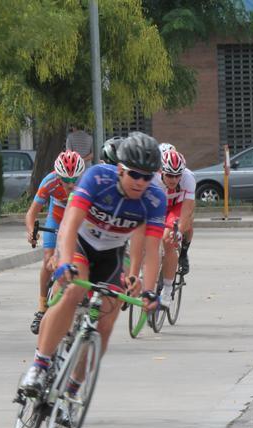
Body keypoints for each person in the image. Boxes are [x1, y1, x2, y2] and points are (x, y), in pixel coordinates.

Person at [19, 132, 166, 394]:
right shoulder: (97, 178)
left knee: (106, 323)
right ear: (120, 169)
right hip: (81, 243)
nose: (140, 182)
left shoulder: (155, 199)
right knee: (74, 289)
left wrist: (148, 289)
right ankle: (40, 365)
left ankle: (73, 389)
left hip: (111, 254)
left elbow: (151, 250)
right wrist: (64, 261)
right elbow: (69, 224)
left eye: (147, 177)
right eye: (134, 174)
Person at [25, 150, 86, 334]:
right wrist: (31, 232)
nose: (71, 184)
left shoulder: (86, 183)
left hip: (77, 217)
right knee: (48, 260)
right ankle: (42, 306)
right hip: (57, 217)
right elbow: (31, 213)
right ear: (58, 176)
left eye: (74, 179)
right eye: (66, 180)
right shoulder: (49, 181)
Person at [157, 149, 196, 306]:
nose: (173, 179)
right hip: (160, 205)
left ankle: (167, 290)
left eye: (177, 175)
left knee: (168, 239)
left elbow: (187, 210)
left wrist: (179, 231)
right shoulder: (152, 178)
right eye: (169, 175)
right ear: (161, 171)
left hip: (178, 206)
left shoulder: (188, 178)